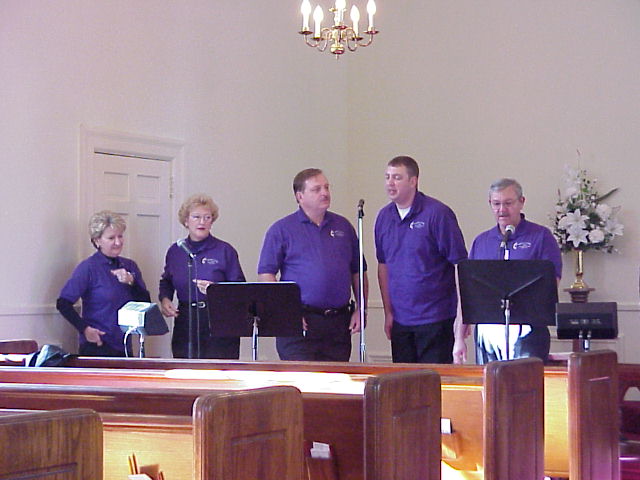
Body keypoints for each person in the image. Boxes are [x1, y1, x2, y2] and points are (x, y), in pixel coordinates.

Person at [257, 168, 367, 361]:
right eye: (316, 189)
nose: (324, 193)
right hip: (300, 322)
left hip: (338, 324)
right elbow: (266, 274)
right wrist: (287, 311)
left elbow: (358, 271)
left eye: (326, 187)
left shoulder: (343, 226)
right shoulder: (281, 229)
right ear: (300, 196)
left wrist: (361, 308)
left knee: (337, 378)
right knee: (301, 377)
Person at [375, 155, 468, 364]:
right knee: (403, 381)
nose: (390, 183)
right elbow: (383, 266)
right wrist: (388, 312)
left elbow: (460, 265)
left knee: (434, 381)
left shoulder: (437, 214)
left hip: (436, 319)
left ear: (413, 181)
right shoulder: (383, 218)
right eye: (387, 177)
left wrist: (462, 319)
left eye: (397, 177)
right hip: (401, 321)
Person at [469, 178, 562, 364]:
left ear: (521, 202)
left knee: (524, 380)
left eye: (508, 203)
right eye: (496, 204)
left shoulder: (541, 236)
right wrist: (459, 338)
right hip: (488, 331)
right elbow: (469, 288)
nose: (502, 210)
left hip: (528, 329)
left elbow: (552, 282)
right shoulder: (482, 241)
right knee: (490, 381)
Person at [159, 194, 245, 359]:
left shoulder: (224, 250)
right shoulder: (176, 251)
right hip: (186, 319)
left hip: (218, 319)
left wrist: (215, 291)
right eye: (196, 217)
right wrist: (165, 299)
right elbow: (167, 280)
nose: (202, 222)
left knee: (218, 369)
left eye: (207, 217)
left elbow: (239, 289)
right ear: (186, 221)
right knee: (185, 368)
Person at [57, 210, 151, 356]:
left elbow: (145, 305)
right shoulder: (88, 268)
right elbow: (63, 303)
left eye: (120, 236)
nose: (118, 242)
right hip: (97, 345)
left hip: (124, 346)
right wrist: (85, 329)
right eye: (111, 238)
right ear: (97, 241)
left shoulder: (130, 266)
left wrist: (132, 282)